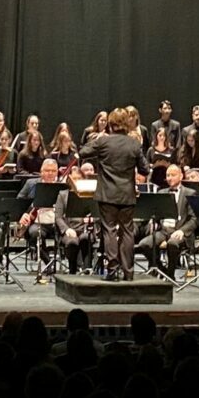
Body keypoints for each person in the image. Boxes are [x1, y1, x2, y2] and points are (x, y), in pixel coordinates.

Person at [77, 107, 149, 281]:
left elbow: (82, 152)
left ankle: (112, 270)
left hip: (107, 194)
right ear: (127, 124)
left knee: (109, 230)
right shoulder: (134, 144)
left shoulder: (104, 142)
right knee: (127, 231)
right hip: (127, 195)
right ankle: (128, 272)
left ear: (110, 124)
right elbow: (145, 170)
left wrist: (99, 138)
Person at [136, 165, 196, 280]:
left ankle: (170, 274)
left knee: (172, 244)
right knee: (144, 244)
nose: (169, 178)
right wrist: (153, 221)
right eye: (168, 175)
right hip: (164, 231)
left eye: (173, 175)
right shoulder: (161, 192)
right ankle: (161, 269)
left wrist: (182, 231)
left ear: (181, 176)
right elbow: (157, 213)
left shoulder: (190, 193)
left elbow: (194, 219)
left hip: (180, 232)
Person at [17, 159, 61, 274]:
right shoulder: (31, 184)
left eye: (53, 171)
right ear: (41, 171)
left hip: (57, 222)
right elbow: (19, 201)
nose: (50, 173)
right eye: (47, 170)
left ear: (57, 172)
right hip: (37, 221)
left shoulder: (62, 185)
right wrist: (23, 214)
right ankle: (49, 262)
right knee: (34, 233)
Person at [54, 167, 94, 274]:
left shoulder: (89, 194)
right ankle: (73, 269)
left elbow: (97, 214)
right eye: (74, 179)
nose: (76, 181)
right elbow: (58, 216)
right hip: (69, 229)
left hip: (86, 229)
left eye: (79, 179)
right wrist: (66, 229)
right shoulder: (63, 195)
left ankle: (87, 268)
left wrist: (92, 219)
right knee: (72, 242)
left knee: (85, 238)